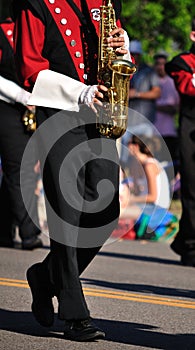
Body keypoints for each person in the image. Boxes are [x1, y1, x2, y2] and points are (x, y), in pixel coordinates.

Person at [13, 0, 132, 341]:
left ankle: (46, 276)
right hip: (59, 112)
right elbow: (30, 68)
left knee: (106, 211)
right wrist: (81, 92)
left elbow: (113, 55)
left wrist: (121, 44)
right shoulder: (35, 4)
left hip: (100, 112)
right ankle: (74, 314)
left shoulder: (104, 2)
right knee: (67, 213)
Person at [0, 17, 42, 249]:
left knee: (15, 171)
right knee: (20, 168)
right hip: (7, 106)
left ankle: (4, 230)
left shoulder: (37, 28)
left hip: (33, 106)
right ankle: (29, 232)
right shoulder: (3, 31)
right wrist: (24, 97)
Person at [165, 18, 195, 267]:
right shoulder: (182, 62)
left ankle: (184, 239)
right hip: (191, 129)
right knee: (193, 190)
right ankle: (191, 246)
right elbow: (188, 87)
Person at [120, 40, 161, 167]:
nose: (134, 56)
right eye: (132, 53)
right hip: (127, 122)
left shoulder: (150, 71)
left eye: (136, 54)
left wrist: (137, 94)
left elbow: (157, 93)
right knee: (125, 157)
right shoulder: (125, 69)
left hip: (145, 121)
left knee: (145, 155)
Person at [153, 50, 180, 177]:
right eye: (158, 64)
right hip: (151, 130)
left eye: (163, 64)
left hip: (168, 131)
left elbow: (174, 108)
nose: (160, 67)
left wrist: (154, 105)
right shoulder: (150, 80)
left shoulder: (172, 82)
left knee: (169, 163)